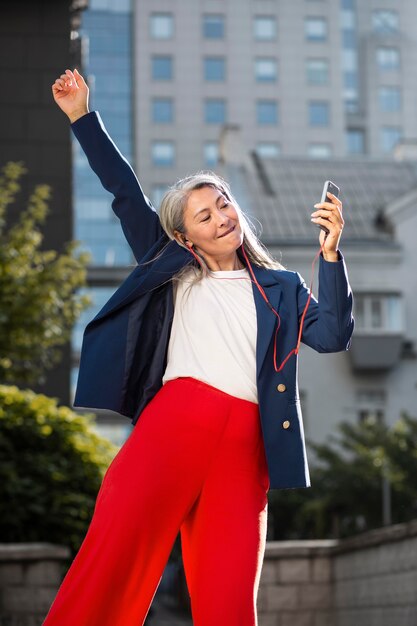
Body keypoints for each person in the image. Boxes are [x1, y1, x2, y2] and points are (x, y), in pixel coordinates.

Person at [43, 68, 354, 626]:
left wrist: (331, 255)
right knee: (114, 559)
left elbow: (332, 334)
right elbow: (124, 193)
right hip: (174, 425)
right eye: (204, 215)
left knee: (229, 601)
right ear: (185, 237)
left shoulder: (281, 286)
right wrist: (82, 117)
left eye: (224, 205)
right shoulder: (173, 270)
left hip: (246, 450)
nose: (222, 218)